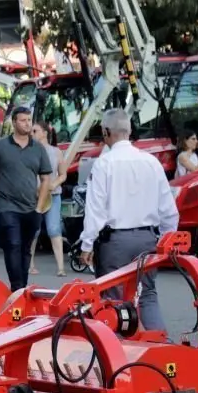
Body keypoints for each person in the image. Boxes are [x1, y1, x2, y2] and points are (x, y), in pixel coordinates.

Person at [78, 109, 179, 333]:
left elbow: (96, 209)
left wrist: (87, 244)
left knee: (112, 303)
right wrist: (166, 240)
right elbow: (168, 209)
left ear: (105, 132)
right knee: (148, 296)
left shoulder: (104, 163)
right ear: (130, 130)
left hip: (115, 243)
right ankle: (161, 349)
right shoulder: (151, 162)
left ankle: (119, 357)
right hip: (147, 240)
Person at [0, 106, 53, 290]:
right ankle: (16, 287)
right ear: (14, 123)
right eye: (23, 120)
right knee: (13, 245)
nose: (27, 123)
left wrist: (39, 208)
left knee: (26, 250)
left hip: (31, 208)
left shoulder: (38, 148)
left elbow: (45, 178)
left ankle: (22, 287)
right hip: (6, 206)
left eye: (29, 120)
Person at [28, 122, 68, 276]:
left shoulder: (56, 151)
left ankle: (60, 268)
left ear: (44, 133)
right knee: (34, 230)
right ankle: (30, 265)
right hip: (34, 195)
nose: (32, 133)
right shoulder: (29, 151)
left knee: (54, 229)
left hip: (53, 195)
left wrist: (53, 184)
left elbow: (63, 174)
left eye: (35, 131)